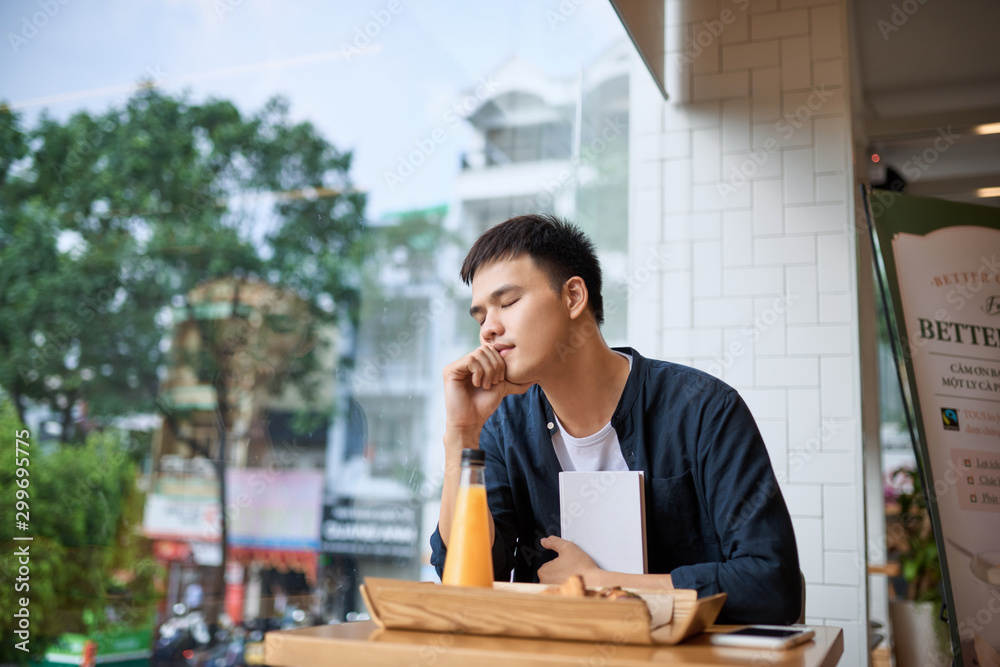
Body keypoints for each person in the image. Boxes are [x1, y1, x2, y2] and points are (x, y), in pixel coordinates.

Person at [429, 214, 802, 625]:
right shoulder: (503, 427)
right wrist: (462, 434)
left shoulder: (703, 409)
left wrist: (601, 583)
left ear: (573, 297)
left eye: (508, 302)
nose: (489, 329)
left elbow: (772, 583)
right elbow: (467, 580)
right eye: (480, 316)